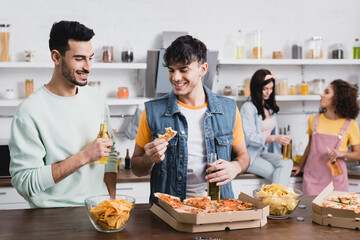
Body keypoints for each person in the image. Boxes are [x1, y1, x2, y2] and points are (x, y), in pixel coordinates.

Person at [9, 21, 117, 208]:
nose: (88, 67)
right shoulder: (29, 111)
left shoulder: (97, 99)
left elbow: (110, 153)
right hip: (52, 217)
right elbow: (24, 183)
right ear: (56, 57)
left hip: (98, 210)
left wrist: (111, 197)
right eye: (79, 59)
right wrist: (84, 156)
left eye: (90, 58)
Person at [131, 35, 250, 203]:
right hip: (169, 211)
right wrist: (148, 159)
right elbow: (136, 167)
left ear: (203, 69)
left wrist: (235, 167)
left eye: (183, 69)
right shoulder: (152, 111)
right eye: (171, 70)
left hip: (218, 208)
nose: (175, 77)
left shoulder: (229, 110)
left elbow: (243, 155)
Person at [293, 79, 360, 195]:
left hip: (337, 182)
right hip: (312, 180)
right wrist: (300, 165)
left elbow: (358, 154)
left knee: (335, 212)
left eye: (327, 92)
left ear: (338, 98)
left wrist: (341, 154)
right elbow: (310, 146)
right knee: (311, 213)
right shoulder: (313, 119)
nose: (321, 94)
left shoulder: (351, 124)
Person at [240, 69, 293, 186]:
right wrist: (274, 138)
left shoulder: (269, 108)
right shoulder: (248, 108)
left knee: (287, 163)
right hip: (250, 156)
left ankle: (275, 201)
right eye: (265, 89)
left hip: (264, 153)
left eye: (271, 88)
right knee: (279, 175)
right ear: (257, 88)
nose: (268, 92)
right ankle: (279, 203)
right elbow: (249, 137)